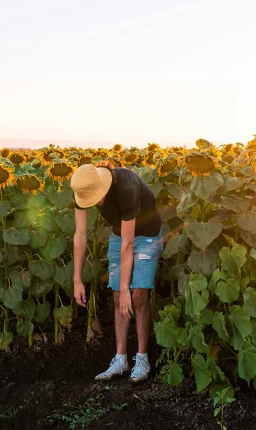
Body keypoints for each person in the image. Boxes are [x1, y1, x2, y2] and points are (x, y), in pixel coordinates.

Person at [70, 162, 163, 384]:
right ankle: (120, 360)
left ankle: (142, 359)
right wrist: (77, 280)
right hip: (119, 237)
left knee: (137, 293)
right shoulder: (82, 188)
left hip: (147, 236)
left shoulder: (126, 187)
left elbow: (129, 243)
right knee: (116, 296)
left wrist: (125, 289)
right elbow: (80, 235)